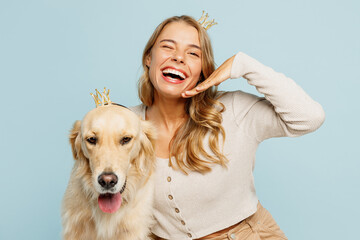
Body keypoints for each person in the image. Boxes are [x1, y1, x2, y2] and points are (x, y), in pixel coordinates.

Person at [130, 14, 325, 240]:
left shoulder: (231, 110)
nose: (179, 58)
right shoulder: (124, 126)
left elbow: (310, 117)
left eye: (193, 53)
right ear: (148, 57)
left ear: (203, 69)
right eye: (168, 47)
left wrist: (243, 65)